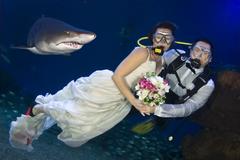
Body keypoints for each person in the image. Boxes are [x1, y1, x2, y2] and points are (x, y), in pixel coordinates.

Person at [9, 21, 176, 151]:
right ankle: (39, 109)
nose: (163, 40)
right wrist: (134, 101)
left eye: (168, 37)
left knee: (80, 135)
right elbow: (118, 76)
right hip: (108, 88)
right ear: (152, 37)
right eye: (159, 36)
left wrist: (148, 98)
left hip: (120, 100)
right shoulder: (142, 52)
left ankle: (38, 118)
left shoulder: (161, 61)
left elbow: (145, 83)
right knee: (74, 115)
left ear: (172, 41)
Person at [144, 38, 215, 117]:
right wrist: (150, 49)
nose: (200, 55)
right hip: (152, 92)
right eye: (197, 50)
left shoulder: (208, 84)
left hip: (174, 108)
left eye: (205, 53)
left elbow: (190, 107)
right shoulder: (175, 55)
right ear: (191, 51)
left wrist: (156, 109)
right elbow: (158, 53)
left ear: (210, 59)